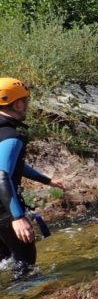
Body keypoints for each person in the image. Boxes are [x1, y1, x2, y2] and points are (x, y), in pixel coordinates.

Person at [0, 78, 64, 279]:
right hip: (4, 211)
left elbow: (12, 164)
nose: (27, 105)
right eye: (25, 101)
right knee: (25, 264)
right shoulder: (11, 135)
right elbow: (2, 175)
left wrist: (46, 180)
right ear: (17, 104)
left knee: (5, 261)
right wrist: (18, 218)